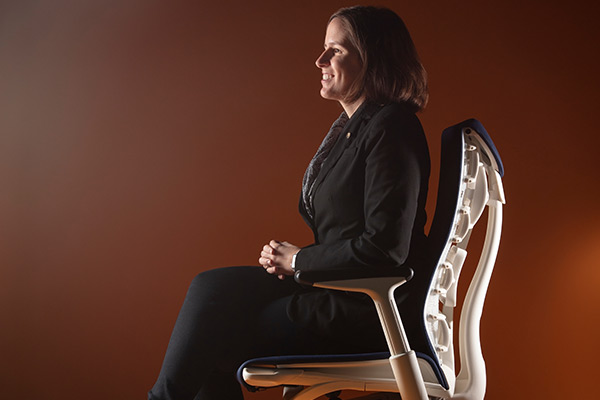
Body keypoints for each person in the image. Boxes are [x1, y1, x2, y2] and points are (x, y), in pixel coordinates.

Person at [148, 6, 430, 400]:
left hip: (366, 309)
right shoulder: (358, 128)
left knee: (215, 332)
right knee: (211, 288)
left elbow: (386, 248)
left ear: (373, 58)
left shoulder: (392, 127)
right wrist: (297, 264)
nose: (320, 60)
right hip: (338, 291)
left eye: (336, 50)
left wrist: (299, 261)